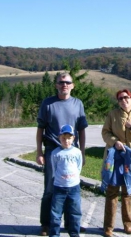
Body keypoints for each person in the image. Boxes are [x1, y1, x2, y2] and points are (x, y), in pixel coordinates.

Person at [36, 72, 88, 236]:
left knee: (70, 187)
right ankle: (46, 224)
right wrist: (39, 152)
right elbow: (40, 130)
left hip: (72, 152)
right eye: (60, 82)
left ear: (73, 85)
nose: (64, 85)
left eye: (67, 82)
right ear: (56, 85)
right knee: (51, 189)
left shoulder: (78, 104)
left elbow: (81, 130)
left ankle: (71, 224)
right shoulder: (48, 103)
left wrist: (83, 152)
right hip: (53, 151)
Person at [101, 89, 131, 237]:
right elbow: (105, 133)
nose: (123, 100)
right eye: (120, 99)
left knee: (128, 192)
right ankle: (108, 227)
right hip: (114, 160)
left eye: (126, 97)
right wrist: (115, 142)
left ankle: (128, 225)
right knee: (112, 192)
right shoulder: (112, 115)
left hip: (130, 161)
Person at [49, 124, 82, 237]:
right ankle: (54, 234)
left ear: (73, 138)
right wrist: (61, 179)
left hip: (74, 187)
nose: (66, 141)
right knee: (56, 214)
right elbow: (54, 168)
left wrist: (72, 178)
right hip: (59, 187)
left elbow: (79, 167)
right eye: (63, 138)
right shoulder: (55, 153)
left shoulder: (77, 152)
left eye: (69, 138)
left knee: (75, 213)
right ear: (59, 138)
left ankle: (74, 233)